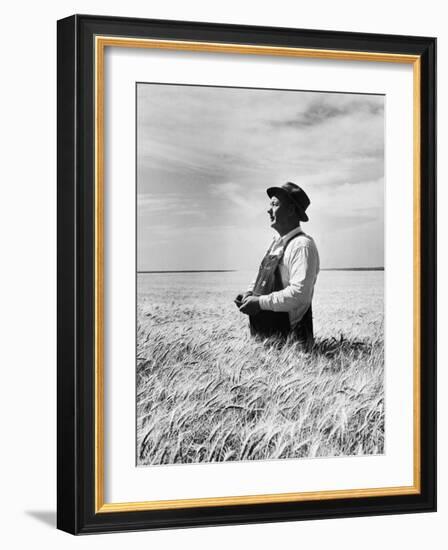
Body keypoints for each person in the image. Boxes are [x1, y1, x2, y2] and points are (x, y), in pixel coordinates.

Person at [236, 182, 320, 348]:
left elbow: (299, 294)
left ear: (290, 210)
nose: (269, 210)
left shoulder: (302, 245)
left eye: (274, 204)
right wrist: (248, 293)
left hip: (292, 344)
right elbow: (260, 277)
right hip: (264, 340)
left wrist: (258, 303)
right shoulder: (275, 243)